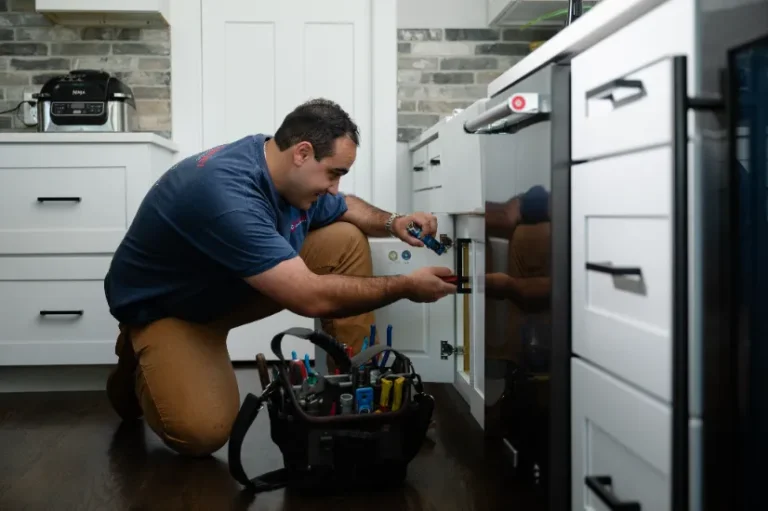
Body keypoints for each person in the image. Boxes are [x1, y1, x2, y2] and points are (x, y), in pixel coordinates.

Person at [104, 98, 457, 457]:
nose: (334, 187)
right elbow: (310, 298)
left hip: (229, 284)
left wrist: (393, 222)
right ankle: (138, 359)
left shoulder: (282, 165)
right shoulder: (226, 195)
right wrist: (406, 286)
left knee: (344, 239)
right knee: (202, 432)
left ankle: (354, 395)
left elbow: (345, 205)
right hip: (171, 309)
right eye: (334, 172)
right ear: (302, 152)